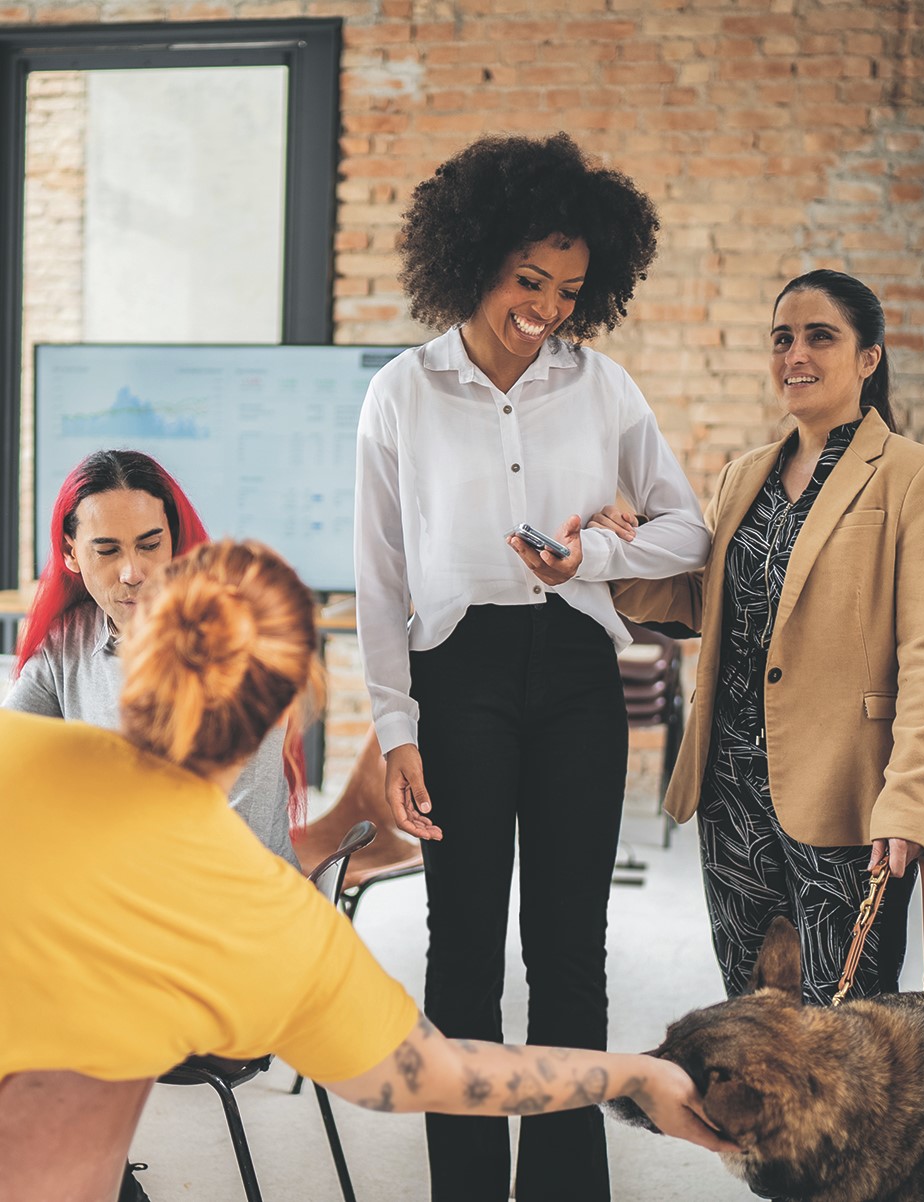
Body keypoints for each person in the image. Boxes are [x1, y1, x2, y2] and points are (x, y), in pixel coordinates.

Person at [0, 540, 734, 1202]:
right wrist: (639, 1074)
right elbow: (440, 1076)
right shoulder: (268, 923)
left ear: (137, 643)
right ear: (293, 702)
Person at [353, 132, 710, 1202]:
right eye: (527, 279)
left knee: (568, 956)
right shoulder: (401, 396)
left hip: (574, 680)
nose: (548, 305)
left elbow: (687, 532)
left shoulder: (602, 388)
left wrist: (593, 553)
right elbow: (378, 578)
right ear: (473, 259)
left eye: (569, 288)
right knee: (462, 954)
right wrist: (395, 728)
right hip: (455, 679)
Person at [599, 269, 924, 1005]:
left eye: (819, 336)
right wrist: (621, 552)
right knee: (753, 1014)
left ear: (868, 356)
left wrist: (910, 801)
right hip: (729, 793)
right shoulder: (744, 476)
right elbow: (709, 602)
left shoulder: (919, 478)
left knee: (845, 1025)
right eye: (781, 339)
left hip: (846, 793)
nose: (794, 354)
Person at [3, 449, 300, 868]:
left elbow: (234, 839)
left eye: (149, 545)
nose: (133, 572)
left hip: (229, 898)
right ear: (71, 554)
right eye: (107, 551)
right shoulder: (68, 641)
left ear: (174, 542)